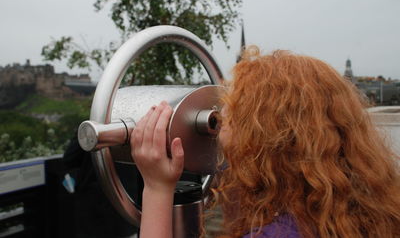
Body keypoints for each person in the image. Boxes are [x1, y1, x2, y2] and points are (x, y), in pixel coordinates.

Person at [130, 47, 400, 238]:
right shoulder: (364, 212)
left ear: (260, 139)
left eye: (233, 111)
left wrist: (156, 189)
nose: (220, 118)